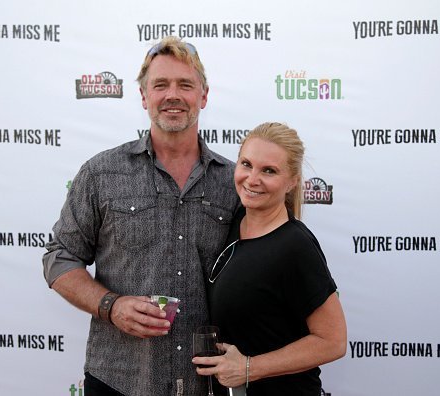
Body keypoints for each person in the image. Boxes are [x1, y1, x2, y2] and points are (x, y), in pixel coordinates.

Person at [42, 36, 240, 396]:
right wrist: (111, 306)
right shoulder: (102, 173)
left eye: (185, 85)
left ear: (204, 96)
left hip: (207, 383)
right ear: (144, 96)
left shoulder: (234, 181)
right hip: (119, 378)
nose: (172, 95)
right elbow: (59, 258)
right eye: (160, 85)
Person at [193, 122, 347, 395]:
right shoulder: (234, 222)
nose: (252, 179)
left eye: (269, 171)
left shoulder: (295, 246)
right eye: (246, 164)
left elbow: (333, 341)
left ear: (292, 181)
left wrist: (249, 367)